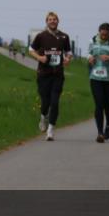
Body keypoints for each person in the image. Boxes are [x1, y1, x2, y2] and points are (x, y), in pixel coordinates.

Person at [28, 11, 72, 141]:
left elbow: (68, 52)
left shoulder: (64, 37)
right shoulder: (41, 36)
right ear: (46, 22)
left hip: (57, 74)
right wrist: (40, 57)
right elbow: (31, 49)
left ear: (58, 21)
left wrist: (68, 58)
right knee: (45, 101)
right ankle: (43, 117)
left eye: (55, 19)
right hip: (43, 74)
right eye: (50, 19)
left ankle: (51, 130)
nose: (53, 21)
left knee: (55, 102)